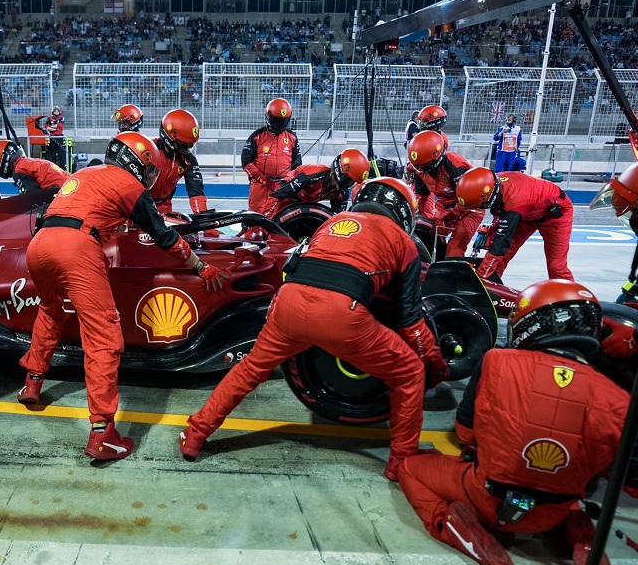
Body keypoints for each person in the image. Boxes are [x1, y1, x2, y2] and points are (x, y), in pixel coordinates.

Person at [179, 178, 449, 481]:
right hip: (341, 315)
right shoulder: (404, 242)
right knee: (410, 372)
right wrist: (435, 366)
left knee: (250, 369)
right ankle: (401, 461)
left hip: (288, 304)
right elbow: (410, 320)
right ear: (403, 213)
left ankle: (195, 433)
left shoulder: (331, 222)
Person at [398, 280, 638, 565]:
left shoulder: (496, 361)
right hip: (556, 509)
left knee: (408, 468)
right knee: (576, 486)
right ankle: (581, 535)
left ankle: (451, 526)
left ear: (529, 324)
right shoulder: (620, 400)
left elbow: (465, 432)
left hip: (487, 497)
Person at [17, 133, 230, 460]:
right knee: (103, 336)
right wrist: (199, 265)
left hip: (40, 245)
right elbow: (163, 234)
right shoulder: (128, 184)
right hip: (76, 247)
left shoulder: (84, 174)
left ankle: (32, 383)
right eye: (148, 167)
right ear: (138, 162)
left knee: (50, 310)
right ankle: (103, 433)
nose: (150, 173)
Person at [456, 167, 573, 283]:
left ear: (488, 197)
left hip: (556, 214)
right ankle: (492, 291)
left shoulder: (514, 204)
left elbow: (499, 247)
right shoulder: (490, 182)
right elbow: (501, 211)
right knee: (500, 259)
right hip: (528, 211)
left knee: (556, 266)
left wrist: (479, 278)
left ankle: (572, 297)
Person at [405, 130, 484, 258]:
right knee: (429, 235)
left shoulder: (456, 167)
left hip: (471, 208)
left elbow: (468, 201)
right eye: (417, 166)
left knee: (454, 248)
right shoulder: (419, 169)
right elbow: (422, 195)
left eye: (424, 166)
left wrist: (446, 219)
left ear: (437, 157)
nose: (421, 170)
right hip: (445, 205)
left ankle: (451, 272)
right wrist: (416, 217)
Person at [267, 148, 371, 218]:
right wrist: (265, 217)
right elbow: (277, 196)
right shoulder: (313, 175)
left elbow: (336, 218)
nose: (349, 185)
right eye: (349, 180)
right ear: (343, 170)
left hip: (305, 204)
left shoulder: (341, 194)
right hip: (286, 197)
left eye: (352, 182)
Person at [242, 98, 302, 215]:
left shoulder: (292, 137)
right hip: (260, 186)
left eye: (283, 121)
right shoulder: (257, 136)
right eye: (278, 121)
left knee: (283, 219)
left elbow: (297, 164)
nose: (280, 124)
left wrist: (290, 183)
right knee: (255, 219)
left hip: (283, 187)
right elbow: (246, 161)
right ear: (269, 116)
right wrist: (262, 179)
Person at [150, 108, 210, 216]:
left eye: (189, 145)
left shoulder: (189, 160)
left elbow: (196, 192)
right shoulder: (149, 150)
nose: (186, 150)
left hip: (165, 206)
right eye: (183, 145)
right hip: (141, 205)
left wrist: (204, 219)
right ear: (170, 137)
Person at [0, 139, 68, 194]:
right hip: (69, 187)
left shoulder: (18, 171)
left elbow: (33, 199)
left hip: (61, 194)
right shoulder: (27, 162)